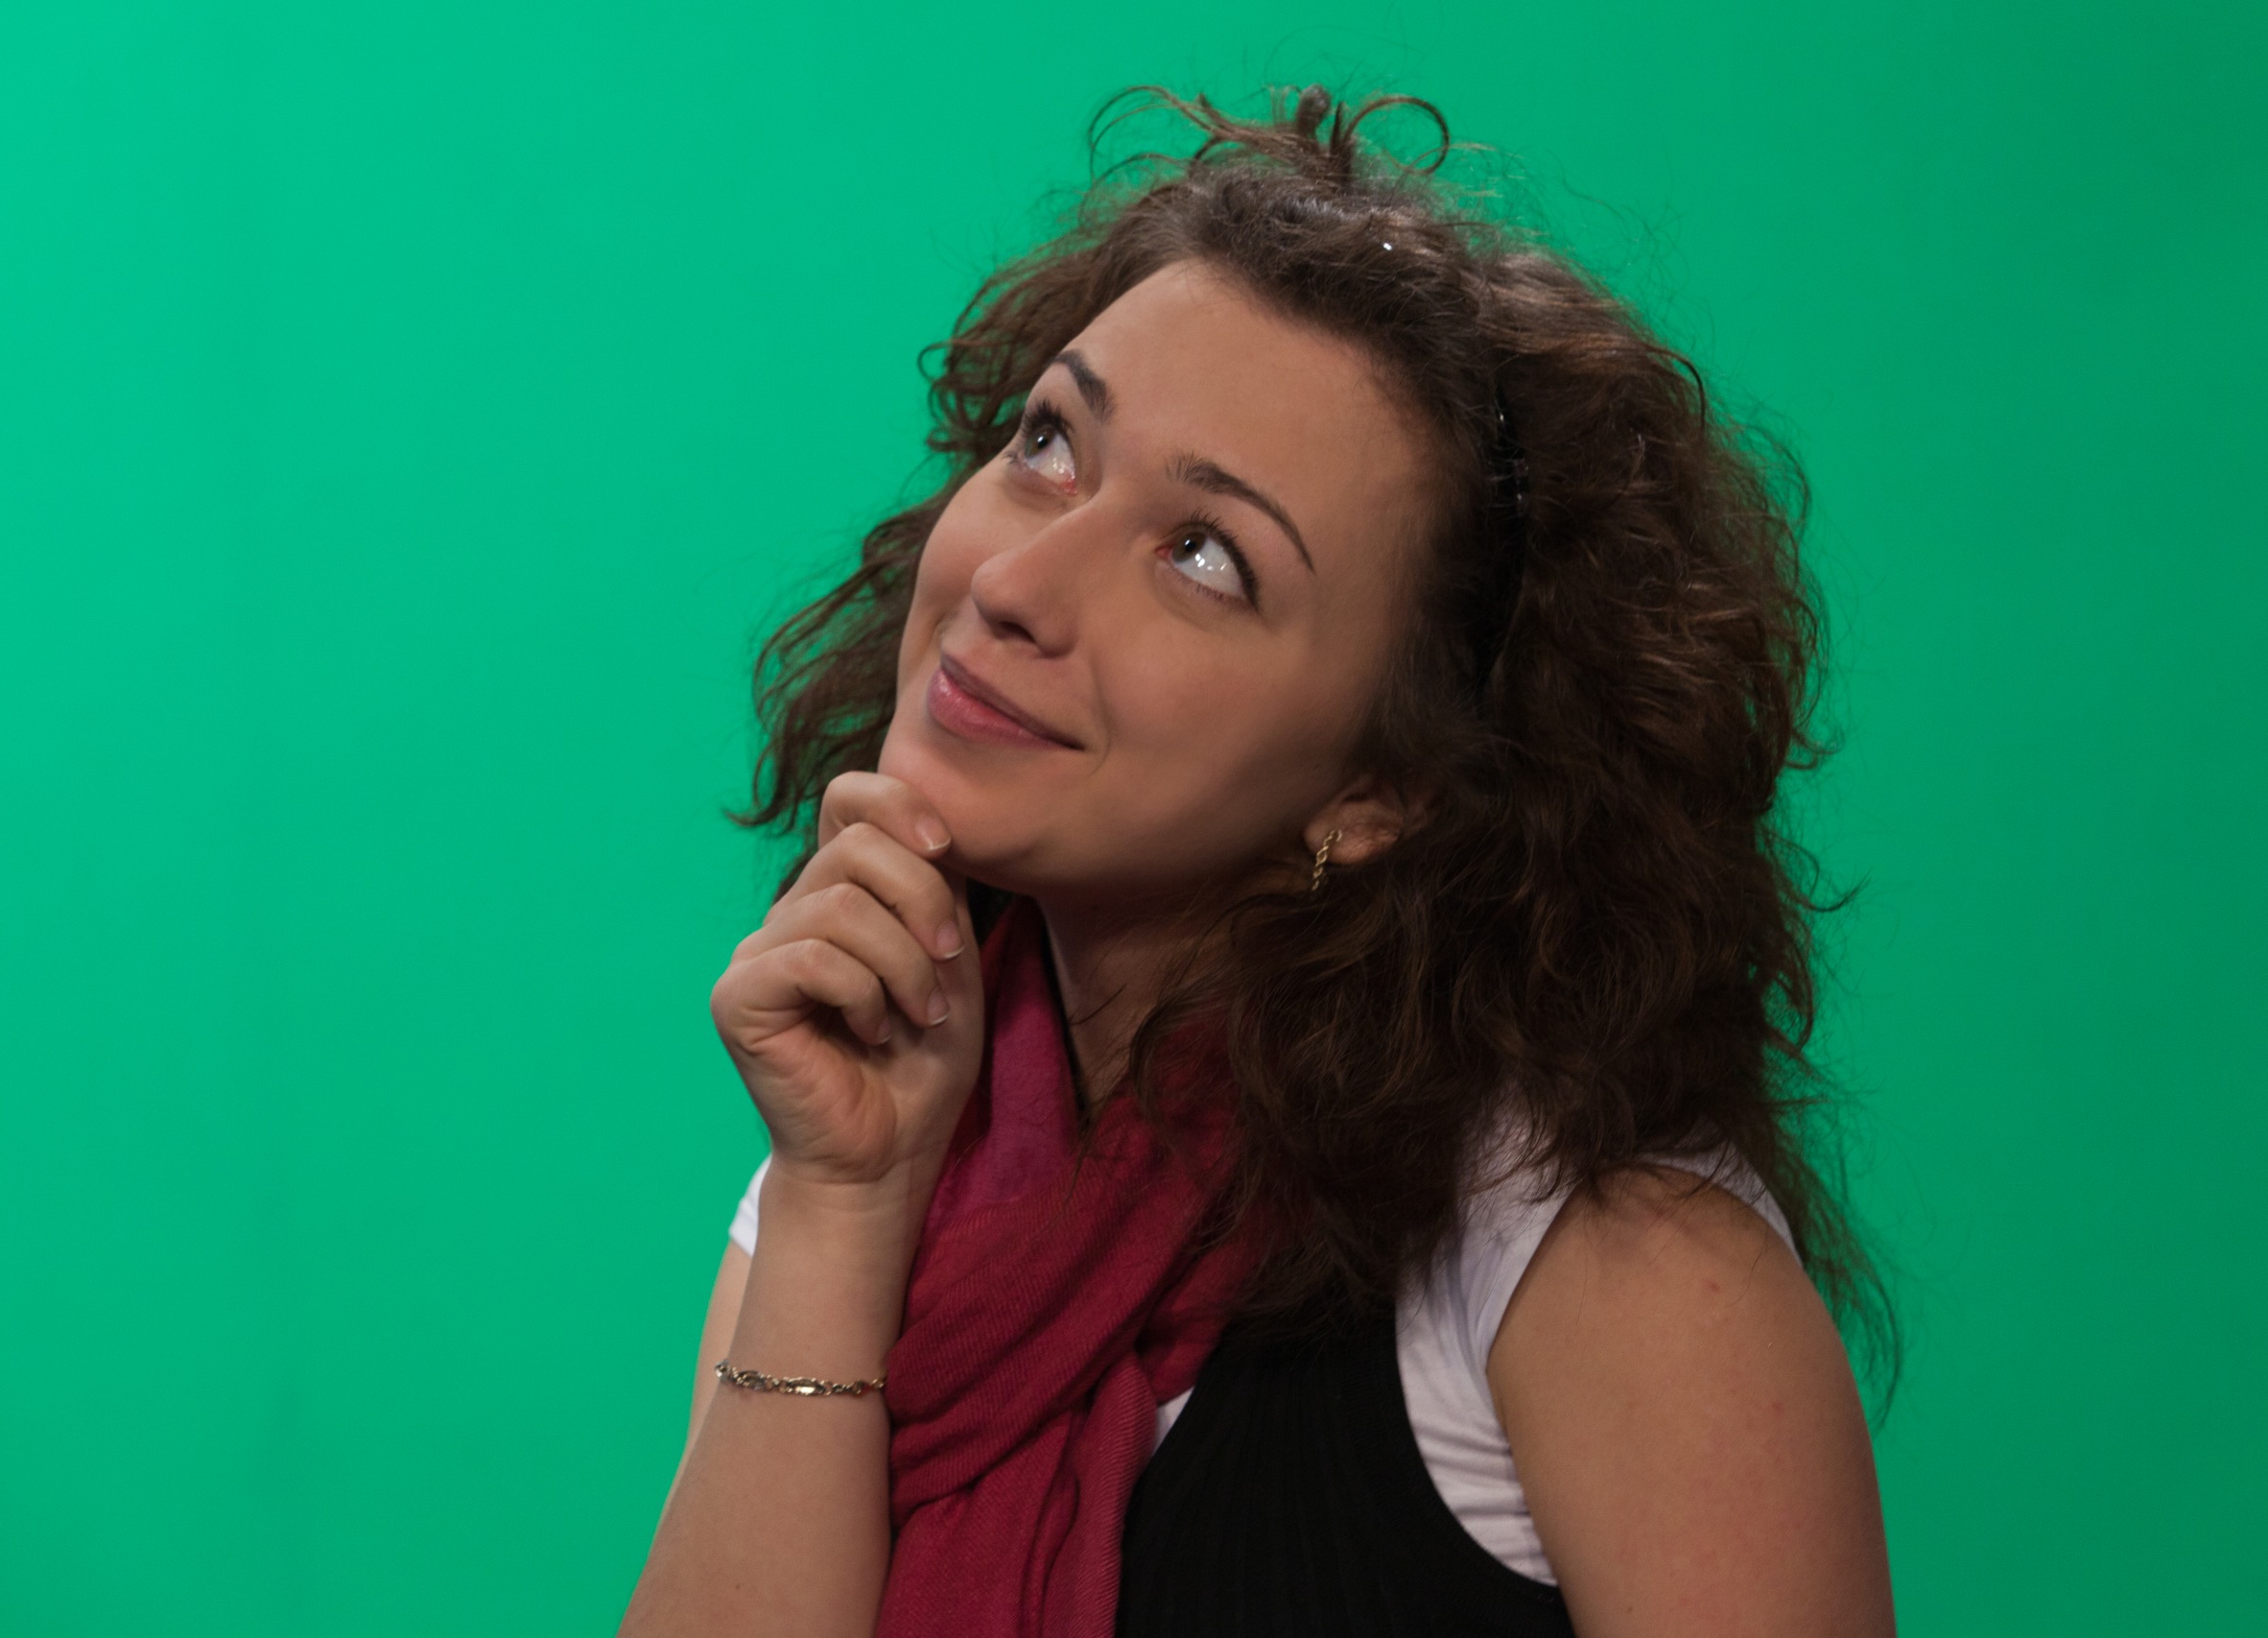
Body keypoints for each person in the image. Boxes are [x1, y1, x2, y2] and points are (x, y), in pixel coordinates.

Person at [623, 85, 1895, 1638]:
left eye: (1203, 556)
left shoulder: (1599, 1257)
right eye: (1050, 445)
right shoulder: (857, 1178)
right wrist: (841, 1211)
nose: (1015, 582)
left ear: (1378, 787)